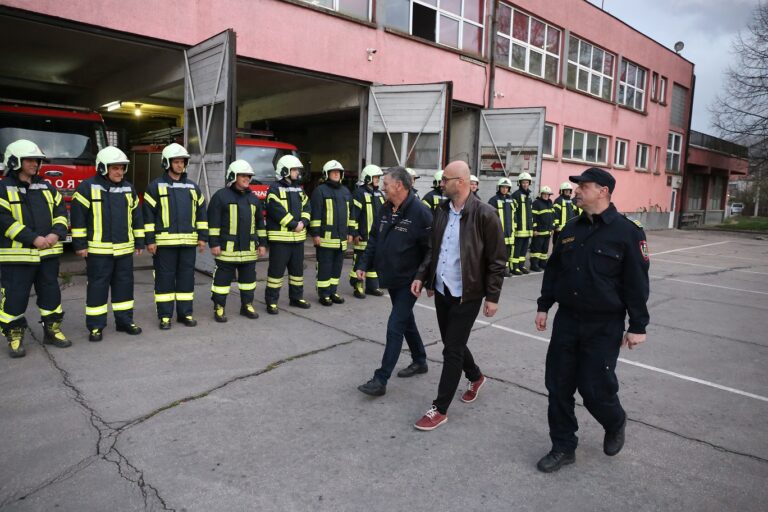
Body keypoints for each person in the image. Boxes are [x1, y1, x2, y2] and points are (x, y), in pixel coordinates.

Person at [534, 167, 650, 473]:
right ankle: (563, 446)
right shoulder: (571, 228)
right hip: (568, 320)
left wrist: (638, 325)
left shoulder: (628, 232)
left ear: (604, 191)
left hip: (604, 324)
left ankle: (615, 420)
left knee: (594, 388)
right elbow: (554, 269)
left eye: (584, 185)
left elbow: (637, 282)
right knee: (558, 386)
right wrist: (544, 305)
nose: (577, 190)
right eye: (577, 185)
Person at [411, 160, 506, 431]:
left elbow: (497, 260)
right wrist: (423, 276)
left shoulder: (485, 214)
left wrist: (493, 296)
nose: (442, 184)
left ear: (461, 183)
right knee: (454, 340)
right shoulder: (441, 210)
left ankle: (439, 409)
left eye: (446, 179)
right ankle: (475, 376)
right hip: (443, 289)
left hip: (469, 293)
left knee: (451, 348)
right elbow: (434, 250)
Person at [355, 167, 432, 396]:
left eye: (386, 183)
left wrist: (422, 278)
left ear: (399, 185)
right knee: (406, 321)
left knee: (395, 325)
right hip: (392, 278)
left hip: (410, 281)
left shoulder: (420, 212)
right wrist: (362, 264)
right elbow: (374, 239)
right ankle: (420, 360)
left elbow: (431, 250)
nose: (382, 186)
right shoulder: (385, 208)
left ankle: (381, 379)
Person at [0, 139, 70, 357]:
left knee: (51, 296)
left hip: (47, 256)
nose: (35, 164)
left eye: (37, 160)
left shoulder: (47, 186)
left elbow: (61, 211)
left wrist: (55, 233)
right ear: (14, 161)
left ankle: (52, 330)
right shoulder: (3, 188)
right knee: (14, 297)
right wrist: (33, 239)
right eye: (30, 160)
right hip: (17, 257)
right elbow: (3, 220)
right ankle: (14, 336)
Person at [71, 146, 144, 342]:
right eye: (115, 168)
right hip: (98, 252)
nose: (120, 172)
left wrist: (139, 241)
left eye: (122, 168)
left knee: (124, 287)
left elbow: (137, 217)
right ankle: (96, 327)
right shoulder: (86, 188)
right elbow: (78, 219)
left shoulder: (129, 188)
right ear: (103, 168)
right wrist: (80, 245)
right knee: (97, 289)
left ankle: (124, 321)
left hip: (124, 251)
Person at [142, 143, 208, 330]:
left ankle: (185, 314)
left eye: (182, 162)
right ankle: (164, 316)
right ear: (167, 163)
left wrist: (202, 237)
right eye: (176, 162)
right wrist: (150, 240)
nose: (180, 165)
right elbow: (148, 217)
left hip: (188, 244)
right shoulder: (155, 187)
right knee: (164, 280)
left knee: (187, 279)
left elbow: (201, 214)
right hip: (164, 245)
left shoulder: (193, 188)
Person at [207, 160, 267, 322]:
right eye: (243, 175)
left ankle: (246, 305)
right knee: (221, 282)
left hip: (249, 249)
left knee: (248, 281)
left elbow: (260, 223)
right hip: (227, 249)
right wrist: (214, 243)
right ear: (233, 176)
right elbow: (213, 223)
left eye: (249, 176)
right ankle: (219, 307)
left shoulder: (254, 199)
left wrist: (262, 243)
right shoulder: (221, 196)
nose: (247, 178)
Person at [264, 155, 312, 314]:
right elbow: (276, 210)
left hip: (297, 240)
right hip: (280, 240)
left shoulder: (299, 189)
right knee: (276, 273)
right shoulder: (274, 189)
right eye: (294, 169)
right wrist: (294, 225)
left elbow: (307, 207)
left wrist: (303, 223)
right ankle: (271, 301)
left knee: (297, 271)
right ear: (285, 171)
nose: (297, 172)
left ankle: (296, 298)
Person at [309, 160, 353, 306]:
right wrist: (315, 234)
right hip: (325, 239)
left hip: (341, 239)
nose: (336, 174)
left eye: (338, 172)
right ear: (327, 174)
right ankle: (324, 294)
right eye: (333, 172)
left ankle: (333, 291)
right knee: (325, 267)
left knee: (337, 267)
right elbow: (315, 214)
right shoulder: (320, 191)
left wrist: (351, 232)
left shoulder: (346, 191)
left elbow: (350, 214)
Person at [349, 164, 385, 299]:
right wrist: (355, 233)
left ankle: (372, 286)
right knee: (359, 262)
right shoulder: (359, 193)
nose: (377, 180)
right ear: (368, 177)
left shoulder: (379, 194)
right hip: (363, 236)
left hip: (376, 237)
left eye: (378, 177)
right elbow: (353, 215)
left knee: (373, 263)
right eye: (375, 177)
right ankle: (357, 286)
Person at [489, 177, 516, 277]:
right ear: (499, 188)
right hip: (499, 232)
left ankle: (505, 269)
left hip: (510, 232)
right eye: (503, 187)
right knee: (498, 252)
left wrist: (515, 227)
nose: (504, 189)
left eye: (506, 188)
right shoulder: (493, 200)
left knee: (507, 251)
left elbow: (515, 215)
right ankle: (497, 270)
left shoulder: (511, 200)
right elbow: (490, 217)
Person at [510, 172, 533, 275]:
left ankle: (521, 265)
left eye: (527, 182)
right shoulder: (516, 195)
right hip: (519, 228)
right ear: (519, 183)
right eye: (523, 182)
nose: (525, 184)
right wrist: (515, 225)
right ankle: (514, 267)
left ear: (529, 183)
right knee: (517, 248)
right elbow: (513, 212)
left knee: (524, 249)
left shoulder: (529, 196)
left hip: (527, 229)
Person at [529, 185, 555, 272]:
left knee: (544, 249)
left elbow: (552, 216)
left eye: (548, 194)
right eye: (544, 194)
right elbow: (533, 217)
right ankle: (534, 264)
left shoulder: (550, 203)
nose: (546, 196)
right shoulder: (536, 203)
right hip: (539, 232)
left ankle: (542, 263)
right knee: (536, 249)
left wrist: (552, 228)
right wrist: (534, 229)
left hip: (547, 232)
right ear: (541, 194)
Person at [552, 181, 580, 246]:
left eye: (568, 190)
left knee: (566, 245)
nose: (567, 192)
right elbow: (555, 214)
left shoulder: (570, 201)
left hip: (568, 228)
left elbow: (573, 214)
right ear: (562, 191)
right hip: (559, 229)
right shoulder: (558, 200)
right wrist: (556, 226)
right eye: (566, 190)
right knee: (557, 245)